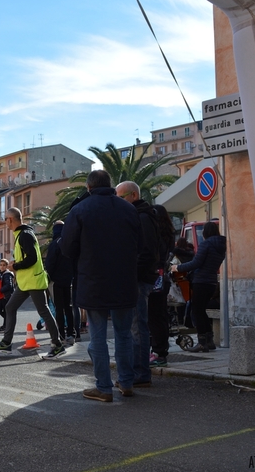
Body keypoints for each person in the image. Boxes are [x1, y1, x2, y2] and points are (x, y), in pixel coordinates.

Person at [60, 170, 141, 401]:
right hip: (124, 280)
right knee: (124, 334)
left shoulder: (80, 210)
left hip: (93, 281)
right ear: (112, 187)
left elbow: (67, 248)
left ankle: (103, 387)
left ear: (88, 188)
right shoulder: (128, 209)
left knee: (97, 336)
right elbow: (140, 245)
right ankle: (126, 383)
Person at [0, 207, 66, 358]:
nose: (6, 223)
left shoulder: (25, 235)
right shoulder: (22, 234)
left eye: (6, 220)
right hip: (26, 282)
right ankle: (6, 343)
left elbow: (32, 259)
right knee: (10, 307)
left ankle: (57, 345)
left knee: (44, 311)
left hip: (34, 281)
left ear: (10, 219)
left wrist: (15, 265)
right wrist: (16, 263)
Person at [116, 181, 160, 388]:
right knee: (135, 326)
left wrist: (132, 275)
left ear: (133, 195)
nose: (118, 202)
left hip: (139, 280)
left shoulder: (143, 217)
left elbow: (146, 252)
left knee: (137, 326)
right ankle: (138, 370)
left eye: (121, 197)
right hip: (138, 278)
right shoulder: (140, 215)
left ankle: (141, 372)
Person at [171, 221, 226, 353]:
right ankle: (209, 340)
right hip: (211, 282)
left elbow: (196, 263)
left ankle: (202, 343)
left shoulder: (206, 244)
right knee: (201, 311)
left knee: (197, 311)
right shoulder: (221, 246)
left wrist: (177, 267)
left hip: (201, 281)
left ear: (206, 232)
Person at [148, 205, 175, 367]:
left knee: (153, 316)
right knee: (160, 315)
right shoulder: (169, 235)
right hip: (163, 278)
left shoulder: (156, 236)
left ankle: (158, 351)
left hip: (154, 278)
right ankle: (161, 349)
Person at [44, 221, 76, 343]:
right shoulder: (69, 243)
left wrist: (49, 277)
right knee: (69, 307)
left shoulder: (54, 244)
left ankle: (61, 335)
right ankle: (71, 334)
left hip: (56, 281)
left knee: (59, 309)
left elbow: (50, 263)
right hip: (68, 280)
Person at [0, 259, 14, 333]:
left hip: (6, 296)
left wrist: (1, 290)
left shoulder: (6, 274)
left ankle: (6, 325)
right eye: (0, 265)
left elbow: (9, 285)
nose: (2, 267)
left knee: (5, 311)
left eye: (4, 265)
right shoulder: (2, 274)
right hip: (2, 296)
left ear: (6, 266)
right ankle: (7, 323)